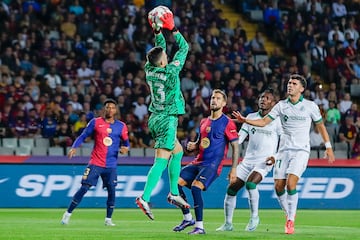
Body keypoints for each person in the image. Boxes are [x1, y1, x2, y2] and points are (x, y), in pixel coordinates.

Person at [233, 74, 335, 234]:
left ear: (301, 88)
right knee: (279, 187)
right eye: (289, 82)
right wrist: (245, 120)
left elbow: (321, 126)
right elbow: (263, 122)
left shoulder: (310, 106)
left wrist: (328, 147)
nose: (290, 85)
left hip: (301, 150)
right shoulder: (281, 106)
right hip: (283, 152)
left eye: (294, 83)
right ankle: (289, 213)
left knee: (290, 184)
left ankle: (290, 221)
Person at [135, 6, 190, 220]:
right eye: (166, 55)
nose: (167, 54)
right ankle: (145, 197)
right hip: (167, 119)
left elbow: (159, 49)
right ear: (165, 61)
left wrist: (158, 31)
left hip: (155, 117)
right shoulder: (172, 71)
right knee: (161, 159)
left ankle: (174, 193)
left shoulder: (150, 69)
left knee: (177, 152)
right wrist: (173, 28)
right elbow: (184, 48)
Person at [172, 89, 239, 235]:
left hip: (212, 165)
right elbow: (201, 142)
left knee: (196, 188)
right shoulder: (204, 121)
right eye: (213, 98)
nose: (214, 100)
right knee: (175, 186)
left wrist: (234, 169)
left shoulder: (227, 123)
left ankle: (200, 227)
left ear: (224, 103)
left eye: (218, 98)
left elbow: (235, 146)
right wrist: (194, 145)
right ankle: (187, 218)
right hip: (198, 162)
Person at [216, 89, 282, 232]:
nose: (263, 100)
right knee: (231, 189)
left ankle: (254, 217)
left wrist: (275, 157)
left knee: (251, 184)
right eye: (261, 97)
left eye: (267, 98)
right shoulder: (250, 117)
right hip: (247, 161)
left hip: (264, 162)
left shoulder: (277, 121)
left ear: (273, 103)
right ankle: (228, 224)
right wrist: (225, 138)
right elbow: (239, 139)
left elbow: (284, 143)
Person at [61, 98, 130, 226]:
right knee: (84, 188)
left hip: (111, 165)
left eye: (112, 108)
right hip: (96, 162)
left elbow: (126, 143)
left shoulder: (121, 126)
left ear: (115, 110)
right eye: (107, 107)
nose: (110, 109)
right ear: (104, 109)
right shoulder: (95, 122)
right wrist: (74, 147)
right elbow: (83, 135)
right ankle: (68, 214)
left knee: (112, 190)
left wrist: (126, 149)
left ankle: (108, 219)